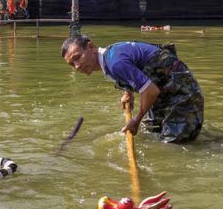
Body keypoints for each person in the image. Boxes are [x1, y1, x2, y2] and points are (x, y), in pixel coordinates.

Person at [61, 34, 204, 144]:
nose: (77, 66)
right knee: (151, 130)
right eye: (72, 64)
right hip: (165, 89)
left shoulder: (115, 63)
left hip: (182, 93)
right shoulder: (110, 55)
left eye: (77, 57)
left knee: (173, 145)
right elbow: (134, 68)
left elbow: (150, 91)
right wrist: (128, 92)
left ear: (91, 47)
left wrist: (136, 120)